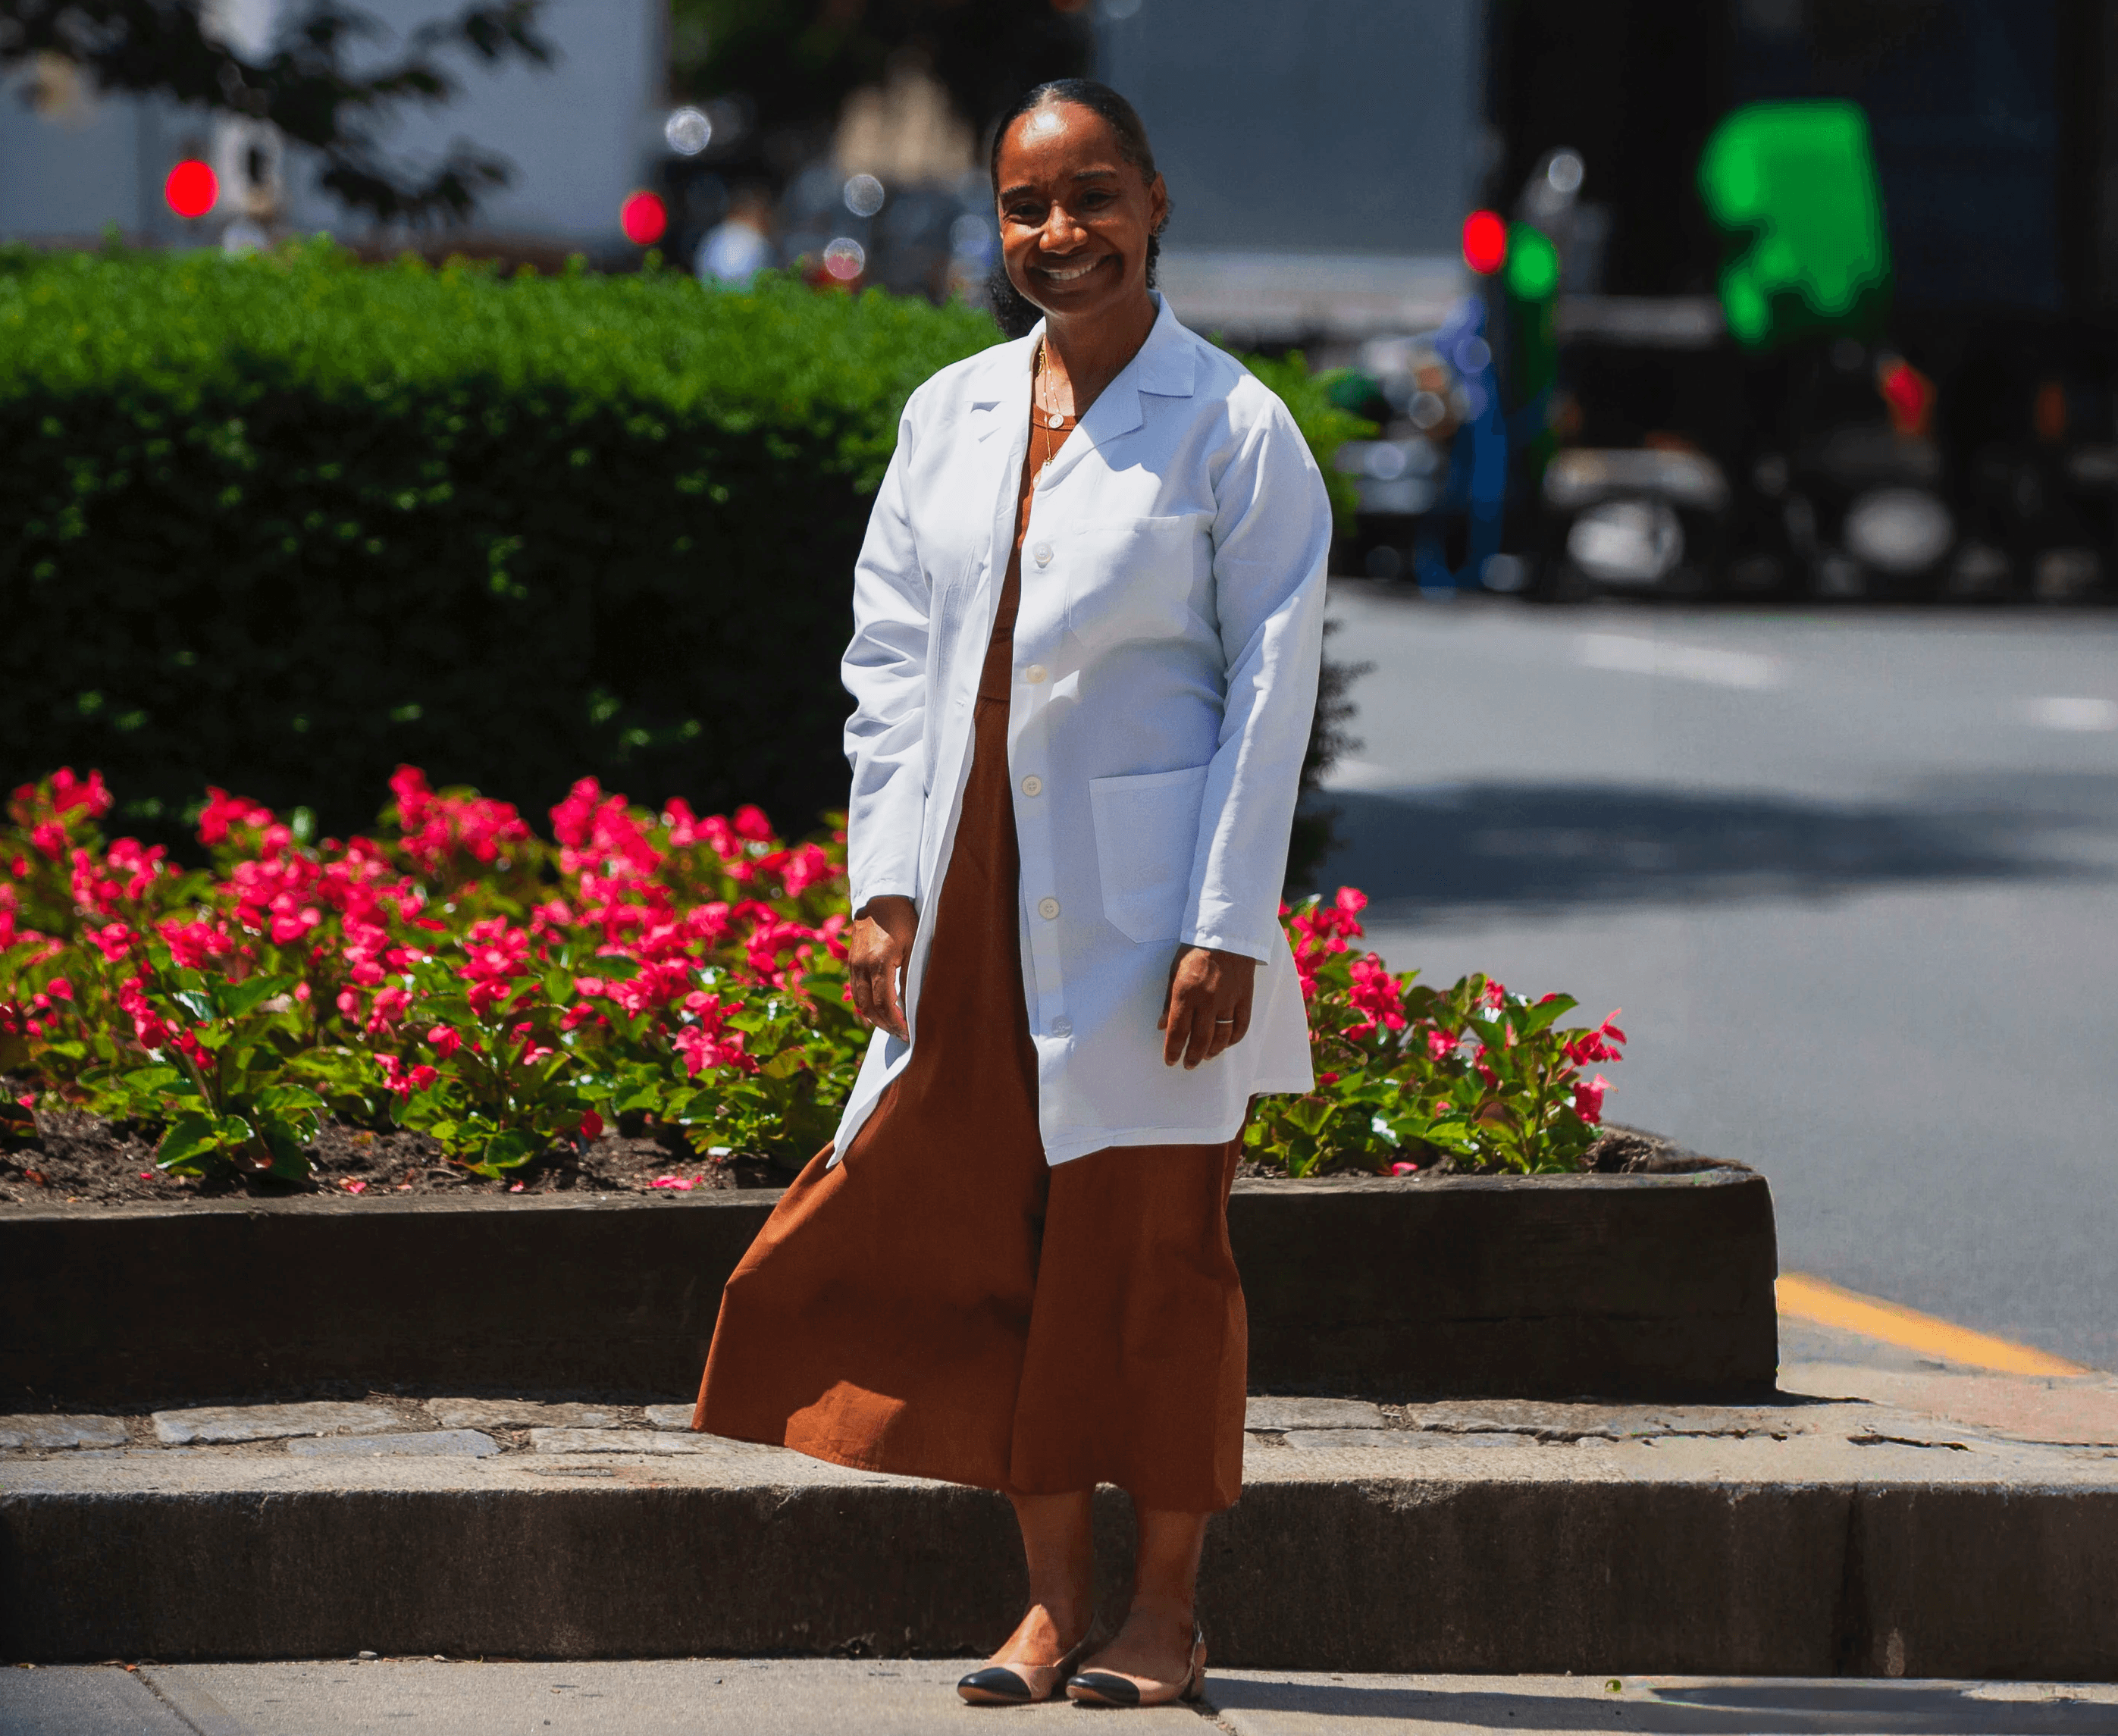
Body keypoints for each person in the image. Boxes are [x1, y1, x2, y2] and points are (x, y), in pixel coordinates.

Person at [691, 78, 1331, 1709]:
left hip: (1146, 912)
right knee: (1001, 1248)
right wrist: (882, 885)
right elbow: (891, 664)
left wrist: (1222, 922)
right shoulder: (950, 413)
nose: (1059, 234)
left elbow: (1271, 687)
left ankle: (1163, 1618)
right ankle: (1049, 1609)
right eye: (1026, 206)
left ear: (1154, 202)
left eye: (1091, 196)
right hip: (972, 893)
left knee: (1152, 1258)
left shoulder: (1230, 426)